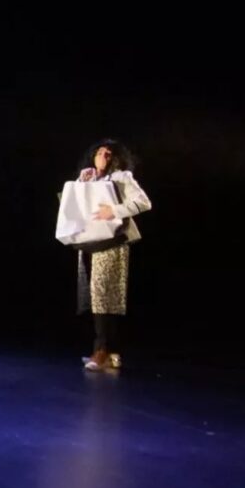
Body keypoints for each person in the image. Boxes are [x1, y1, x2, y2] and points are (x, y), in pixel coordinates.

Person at [72, 139, 151, 371]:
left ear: (116, 158)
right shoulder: (91, 177)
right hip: (92, 241)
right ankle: (112, 353)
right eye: (99, 152)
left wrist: (114, 211)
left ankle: (102, 351)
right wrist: (82, 182)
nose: (102, 156)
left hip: (113, 241)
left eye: (108, 154)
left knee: (105, 296)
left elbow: (144, 202)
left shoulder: (122, 177)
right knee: (100, 296)